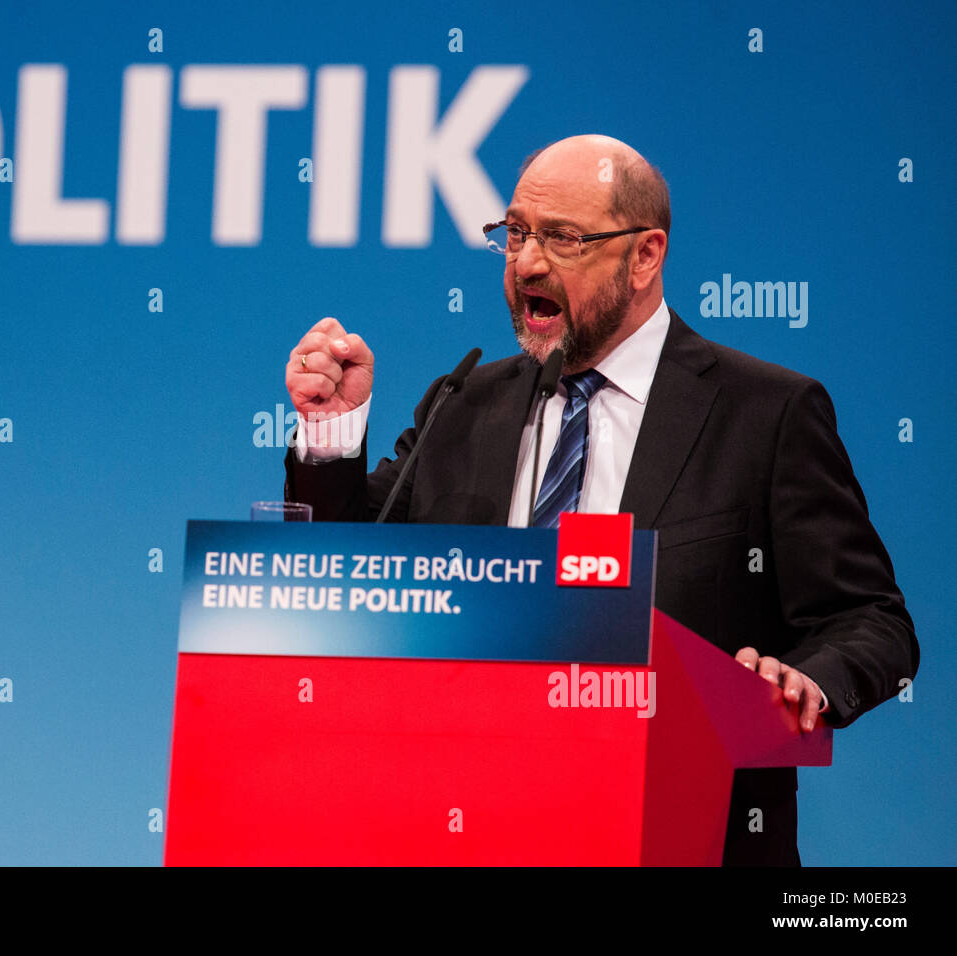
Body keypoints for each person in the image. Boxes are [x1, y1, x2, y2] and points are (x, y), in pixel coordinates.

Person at [280, 134, 919, 866]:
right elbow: (348, 580)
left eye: (563, 238)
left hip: (683, 840)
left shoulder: (766, 414)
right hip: (467, 831)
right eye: (515, 233)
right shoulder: (463, 402)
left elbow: (872, 619)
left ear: (645, 256)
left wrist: (804, 679)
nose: (525, 263)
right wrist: (330, 432)